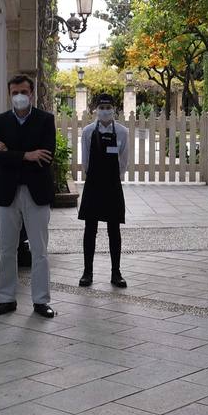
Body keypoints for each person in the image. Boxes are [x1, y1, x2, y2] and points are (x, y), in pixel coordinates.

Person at [0, 75, 57, 318]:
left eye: (24, 91)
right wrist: (26, 155)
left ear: (32, 93)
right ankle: (6, 298)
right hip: (7, 192)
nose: (19, 96)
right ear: (9, 94)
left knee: (39, 250)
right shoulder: (1, 121)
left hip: (36, 193)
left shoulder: (45, 120)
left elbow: (46, 156)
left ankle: (41, 301)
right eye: (15, 92)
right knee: (6, 248)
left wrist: (10, 153)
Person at [78, 93, 129, 289]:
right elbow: (86, 161)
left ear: (114, 109)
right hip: (93, 183)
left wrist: (115, 177)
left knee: (114, 230)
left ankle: (116, 272)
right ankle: (87, 272)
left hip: (113, 185)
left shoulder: (123, 132)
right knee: (90, 229)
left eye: (108, 107)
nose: (105, 110)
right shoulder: (88, 131)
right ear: (96, 109)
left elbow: (124, 161)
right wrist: (94, 176)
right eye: (102, 107)